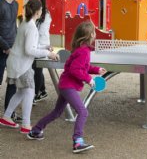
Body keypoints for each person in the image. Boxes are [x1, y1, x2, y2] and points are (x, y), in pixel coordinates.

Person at [27, 21, 107, 154]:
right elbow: (76, 70)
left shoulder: (82, 50)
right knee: (83, 112)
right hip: (68, 86)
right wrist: (89, 79)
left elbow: (83, 67)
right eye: (94, 31)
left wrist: (96, 70)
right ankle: (77, 141)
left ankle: (35, 131)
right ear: (90, 35)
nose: (95, 34)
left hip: (65, 85)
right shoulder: (83, 52)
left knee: (57, 112)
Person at [0, 0, 59, 134]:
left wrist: (44, 47)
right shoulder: (31, 26)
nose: (42, 11)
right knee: (29, 91)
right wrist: (48, 53)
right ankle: (26, 125)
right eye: (41, 9)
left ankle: (7, 117)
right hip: (21, 65)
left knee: (21, 92)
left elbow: (29, 46)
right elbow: (29, 50)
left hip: (17, 63)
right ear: (37, 11)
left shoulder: (25, 23)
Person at [0, 0, 22, 122]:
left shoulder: (15, 5)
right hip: (2, 49)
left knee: (13, 81)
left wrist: (17, 43)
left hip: (12, 49)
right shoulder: (1, 5)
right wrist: (6, 47)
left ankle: (9, 113)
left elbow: (13, 26)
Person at [32, 0, 52, 103]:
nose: (33, 0)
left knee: (37, 69)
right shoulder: (32, 12)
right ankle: (42, 91)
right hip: (34, 45)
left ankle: (34, 94)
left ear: (41, 1)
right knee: (35, 68)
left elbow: (41, 32)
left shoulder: (46, 14)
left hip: (41, 45)